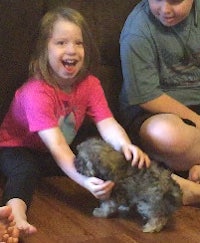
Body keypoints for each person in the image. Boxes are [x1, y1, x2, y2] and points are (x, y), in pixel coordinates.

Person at [0, 7, 150, 236]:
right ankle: (15, 217)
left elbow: (107, 122)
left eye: (78, 43)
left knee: (100, 156)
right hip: (17, 148)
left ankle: (176, 189)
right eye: (61, 42)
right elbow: (58, 147)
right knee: (25, 171)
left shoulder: (90, 84)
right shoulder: (36, 92)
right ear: (44, 50)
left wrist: (125, 145)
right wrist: (85, 181)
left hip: (54, 151)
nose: (71, 50)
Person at [119, 0, 200, 206]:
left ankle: (189, 184)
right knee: (165, 133)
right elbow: (147, 96)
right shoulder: (137, 31)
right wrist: (197, 120)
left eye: (175, 1)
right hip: (156, 110)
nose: (165, 10)